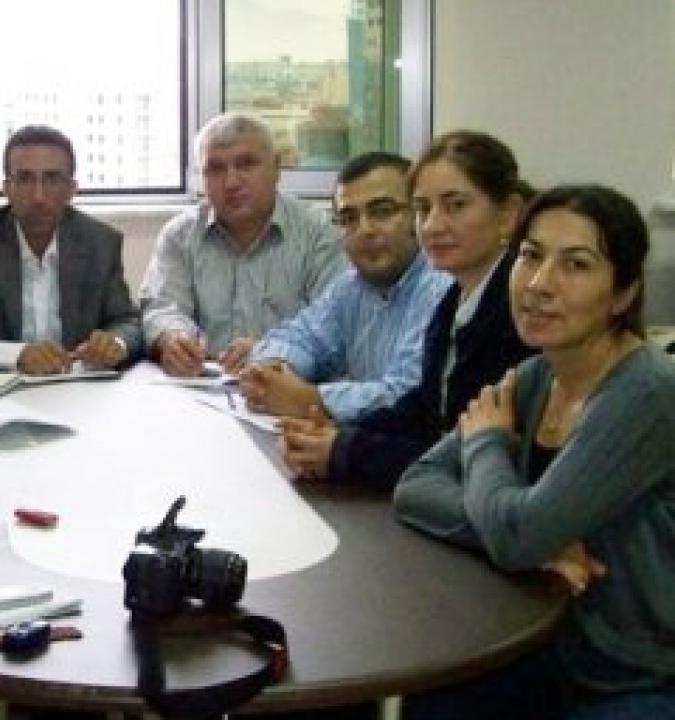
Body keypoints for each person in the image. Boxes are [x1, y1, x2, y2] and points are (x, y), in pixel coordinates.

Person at [394, 184, 675, 719]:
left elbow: (519, 533)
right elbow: (415, 487)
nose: (540, 283)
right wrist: (530, 542)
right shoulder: (535, 376)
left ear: (623, 294)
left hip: (636, 679)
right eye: (530, 256)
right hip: (546, 649)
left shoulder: (646, 393)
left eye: (576, 265)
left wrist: (487, 444)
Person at [277, 130, 534, 488]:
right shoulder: (455, 301)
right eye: (423, 209)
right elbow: (425, 408)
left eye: (455, 205)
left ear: (508, 214)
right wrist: (337, 434)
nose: (433, 225)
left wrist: (346, 451)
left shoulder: (519, 312)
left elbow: (458, 454)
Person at [240, 151, 451, 422]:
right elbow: (299, 336)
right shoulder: (351, 287)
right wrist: (272, 369)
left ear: (418, 215)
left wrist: (311, 400)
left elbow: (411, 394)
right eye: (349, 218)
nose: (365, 230)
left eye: (382, 212)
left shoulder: (441, 287)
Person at [0, 124, 143, 373]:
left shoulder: (100, 243)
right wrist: (16, 355)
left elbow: (128, 322)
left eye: (52, 179)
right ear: (7, 188)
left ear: (71, 189)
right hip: (1, 386)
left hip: (77, 385)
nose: (38, 196)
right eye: (25, 179)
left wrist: (115, 343)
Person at [138, 112, 345, 377]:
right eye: (215, 169)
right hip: (200, 384)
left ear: (277, 168)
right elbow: (162, 307)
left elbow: (333, 323)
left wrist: (273, 351)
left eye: (246, 164)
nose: (231, 183)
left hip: (287, 384)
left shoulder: (316, 231)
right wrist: (173, 338)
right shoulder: (180, 235)